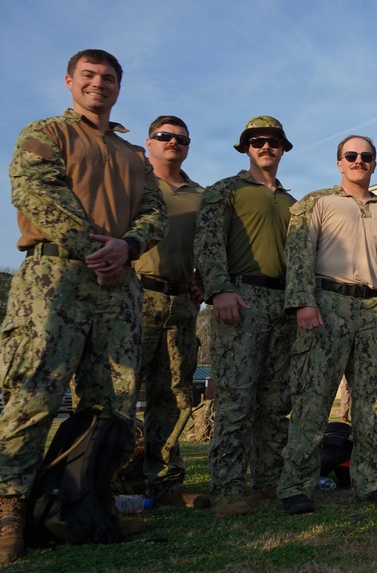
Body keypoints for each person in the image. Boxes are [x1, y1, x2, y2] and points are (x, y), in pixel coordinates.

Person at [0, 49, 167, 563]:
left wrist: (129, 246)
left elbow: (154, 212)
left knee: (113, 404)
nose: (99, 84)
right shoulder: (47, 133)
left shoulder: (133, 156)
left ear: (120, 86)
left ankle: (89, 504)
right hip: (56, 279)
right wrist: (98, 248)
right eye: (90, 76)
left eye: (109, 78)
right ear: (70, 80)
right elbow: (34, 192)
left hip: (118, 284)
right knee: (34, 394)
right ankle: (8, 514)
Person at [277, 135, 377, 514]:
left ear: (375, 165)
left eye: (367, 156)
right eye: (351, 155)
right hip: (326, 305)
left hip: (375, 312)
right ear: (339, 163)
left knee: (373, 403)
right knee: (313, 401)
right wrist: (302, 302)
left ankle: (372, 482)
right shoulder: (318, 203)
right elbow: (298, 254)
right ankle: (296, 487)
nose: (359, 160)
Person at [195, 116, 297, 516]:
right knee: (236, 399)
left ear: (283, 148)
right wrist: (219, 289)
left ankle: (267, 482)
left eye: (273, 141)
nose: (265, 146)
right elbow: (208, 242)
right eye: (257, 141)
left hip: (282, 304)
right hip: (240, 297)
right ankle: (228, 488)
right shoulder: (226, 190)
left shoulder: (292, 203)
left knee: (275, 401)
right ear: (246, 147)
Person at [136, 116, 210, 509]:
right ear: (149, 142)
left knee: (174, 394)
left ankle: (163, 482)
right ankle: (109, 481)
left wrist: (201, 281)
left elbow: (208, 245)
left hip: (181, 303)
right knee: (118, 391)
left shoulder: (200, 194)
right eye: (164, 136)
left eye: (181, 138)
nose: (173, 143)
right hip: (136, 297)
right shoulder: (135, 182)